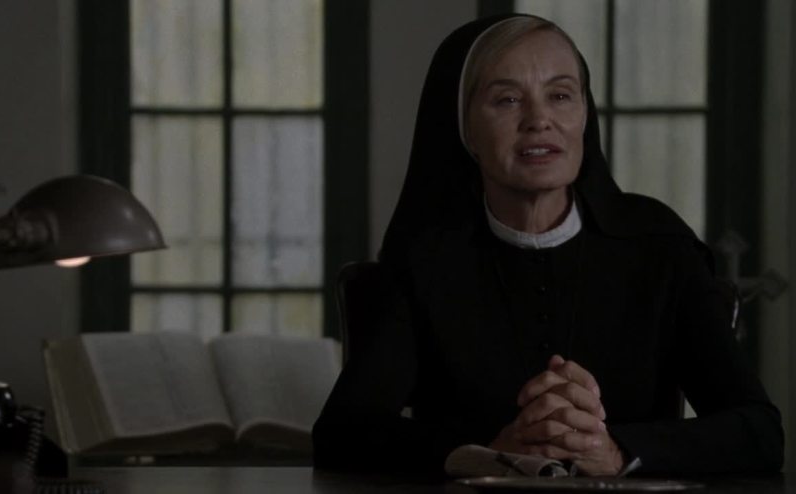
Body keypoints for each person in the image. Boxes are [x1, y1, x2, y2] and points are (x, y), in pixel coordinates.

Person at [312, 14, 783, 476]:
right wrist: (487, 452)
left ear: (584, 114)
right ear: (464, 128)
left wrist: (615, 451)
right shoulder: (426, 261)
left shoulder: (660, 249)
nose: (539, 120)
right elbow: (342, 433)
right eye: (507, 100)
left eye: (560, 95)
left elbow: (759, 432)